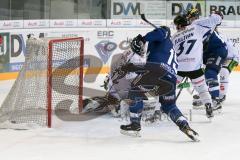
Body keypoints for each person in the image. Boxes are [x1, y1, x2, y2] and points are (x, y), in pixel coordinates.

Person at [119, 27, 199, 141]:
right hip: (171, 78)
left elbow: (160, 32)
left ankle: (135, 125)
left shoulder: (164, 35)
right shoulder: (167, 48)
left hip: (158, 70)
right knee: (169, 106)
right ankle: (184, 124)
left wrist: (143, 38)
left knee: (135, 91)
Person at [172, 11, 223, 118]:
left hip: (180, 68)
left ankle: (161, 108)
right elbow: (214, 22)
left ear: (179, 25)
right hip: (195, 67)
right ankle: (208, 106)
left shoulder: (174, 37)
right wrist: (217, 16)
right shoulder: (196, 27)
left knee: (170, 87)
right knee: (202, 88)